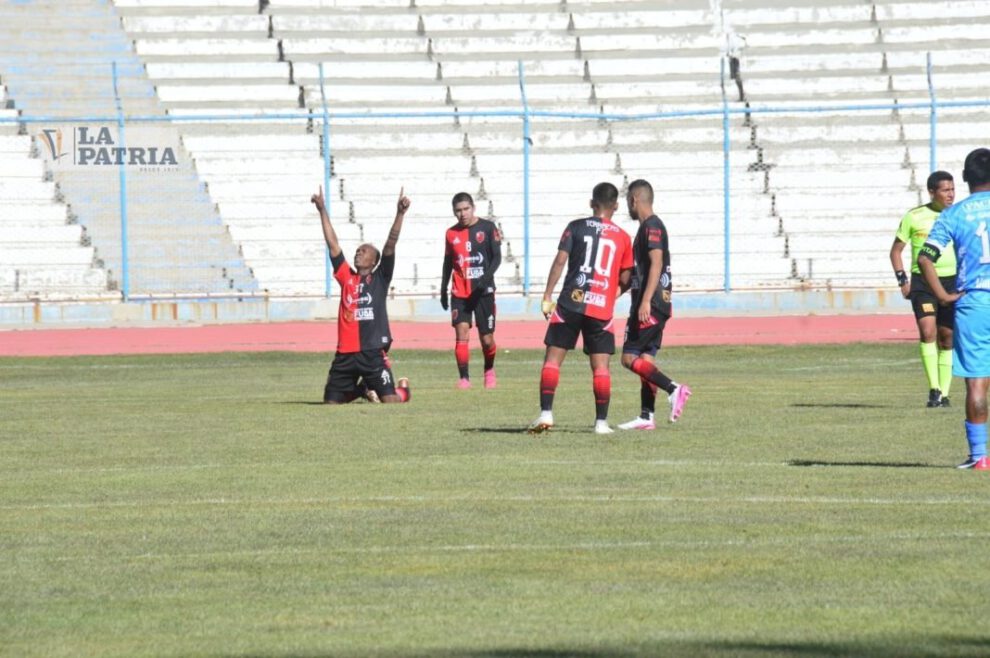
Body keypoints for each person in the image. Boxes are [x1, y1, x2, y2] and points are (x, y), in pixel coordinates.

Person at [528, 182, 634, 435]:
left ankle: (546, 413)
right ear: (616, 206)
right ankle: (601, 423)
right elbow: (627, 277)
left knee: (553, 360)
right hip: (601, 308)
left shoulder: (575, 227)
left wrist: (547, 295)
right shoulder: (623, 237)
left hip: (570, 303)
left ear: (591, 203)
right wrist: (611, 295)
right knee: (601, 368)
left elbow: (560, 261)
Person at [918, 148, 990, 470]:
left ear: (964, 178)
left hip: (974, 302)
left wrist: (944, 297)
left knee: (977, 383)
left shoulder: (954, 214)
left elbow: (925, 258)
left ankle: (979, 457)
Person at [313, 185, 411, 404]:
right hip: (345, 354)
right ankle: (362, 389)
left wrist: (400, 214)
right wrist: (322, 210)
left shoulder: (380, 278)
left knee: (391, 400)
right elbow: (333, 245)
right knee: (330, 403)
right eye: (357, 250)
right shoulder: (346, 276)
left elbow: (390, 244)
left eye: (364, 251)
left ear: (374, 261)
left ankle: (404, 391)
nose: (358, 253)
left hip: (372, 353)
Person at [616, 180, 692, 430]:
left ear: (634, 200)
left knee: (629, 358)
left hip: (652, 303)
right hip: (657, 304)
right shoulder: (646, 228)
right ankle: (646, 416)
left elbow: (657, 263)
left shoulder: (652, 226)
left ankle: (674, 388)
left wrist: (646, 300)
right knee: (645, 360)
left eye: (627, 201)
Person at [889, 170, 957, 407]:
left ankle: (945, 394)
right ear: (931, 192)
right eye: (945, 190)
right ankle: (934, 390)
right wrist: (902, 280)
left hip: (951, 281)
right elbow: (896, 251)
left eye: (952, 189)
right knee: (928, 331)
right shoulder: (915, 216)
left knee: (947, 337)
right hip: (923, 283)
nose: (950, 194)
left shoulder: (958, 216)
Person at [440, 192, 502, 389]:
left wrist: (485, 279)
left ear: (473, 207)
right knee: (462, 333)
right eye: (458, 210)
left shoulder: (488, 227)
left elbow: (497, 257)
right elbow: (447, 263)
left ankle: (489, 370)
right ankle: (464, 378)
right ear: (454, 212)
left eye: (466, 209)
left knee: (487, 339)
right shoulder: (451, 233)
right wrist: (443, 289)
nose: (463, 214)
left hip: (483, 292)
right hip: (460, 292)